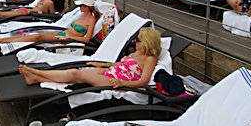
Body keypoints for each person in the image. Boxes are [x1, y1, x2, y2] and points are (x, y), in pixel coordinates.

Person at [18, 28, 161, 90]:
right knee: (76, 77)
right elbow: (120, 64)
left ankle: (36, 72)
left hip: (115, 82)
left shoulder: (149, 58)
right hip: (108, 72)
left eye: (139, 41)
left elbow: (143, 81)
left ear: (148, 42)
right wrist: (103, 64)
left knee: (76, 74)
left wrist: (121, 82)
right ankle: (35, 79)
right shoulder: (136, 53)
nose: (136, 43)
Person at [0, 0, 98, 45]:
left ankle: (2, 41)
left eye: (81, 6)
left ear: (87, 6)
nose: (79, 8)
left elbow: (86, 39)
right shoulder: (80, 15)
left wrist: (69, 37)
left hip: (67, 39)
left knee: (38, 37)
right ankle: (3, 40)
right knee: (34, 34)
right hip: (62, 33)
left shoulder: (91, 20)